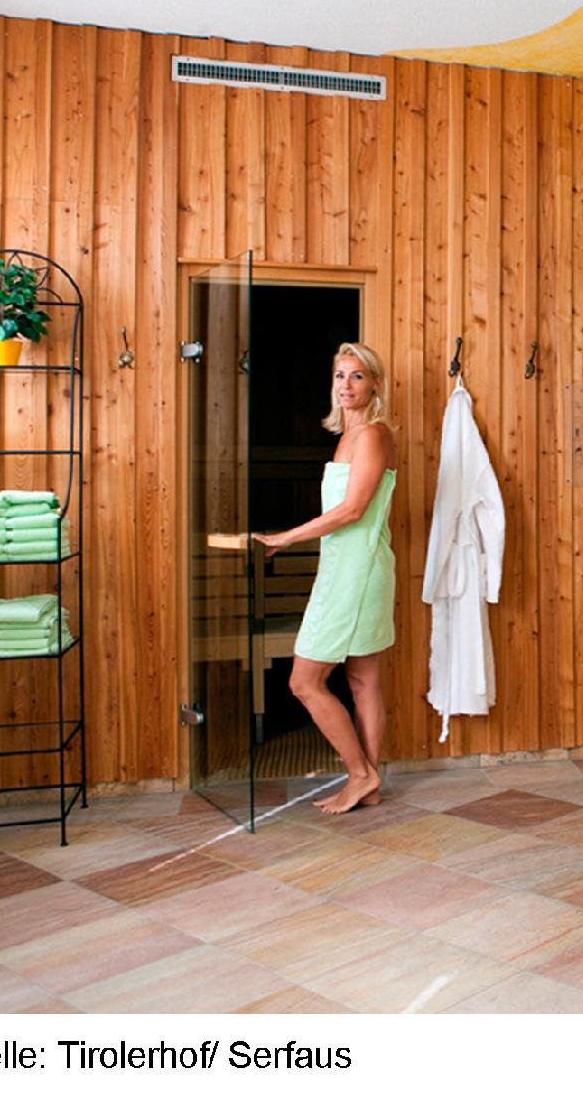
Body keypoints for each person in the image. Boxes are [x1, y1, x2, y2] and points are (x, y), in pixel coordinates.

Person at [253, 342, 398, 814]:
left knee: (304, 681)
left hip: (356, 573)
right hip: (348, 567)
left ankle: (360, 774)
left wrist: (287, 537)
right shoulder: (347, 438)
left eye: (357, 376)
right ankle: (369, 785)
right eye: (340, 375)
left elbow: (353, 510)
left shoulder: (373, 435)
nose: (346, 385)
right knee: (362, 678)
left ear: (375, 384)